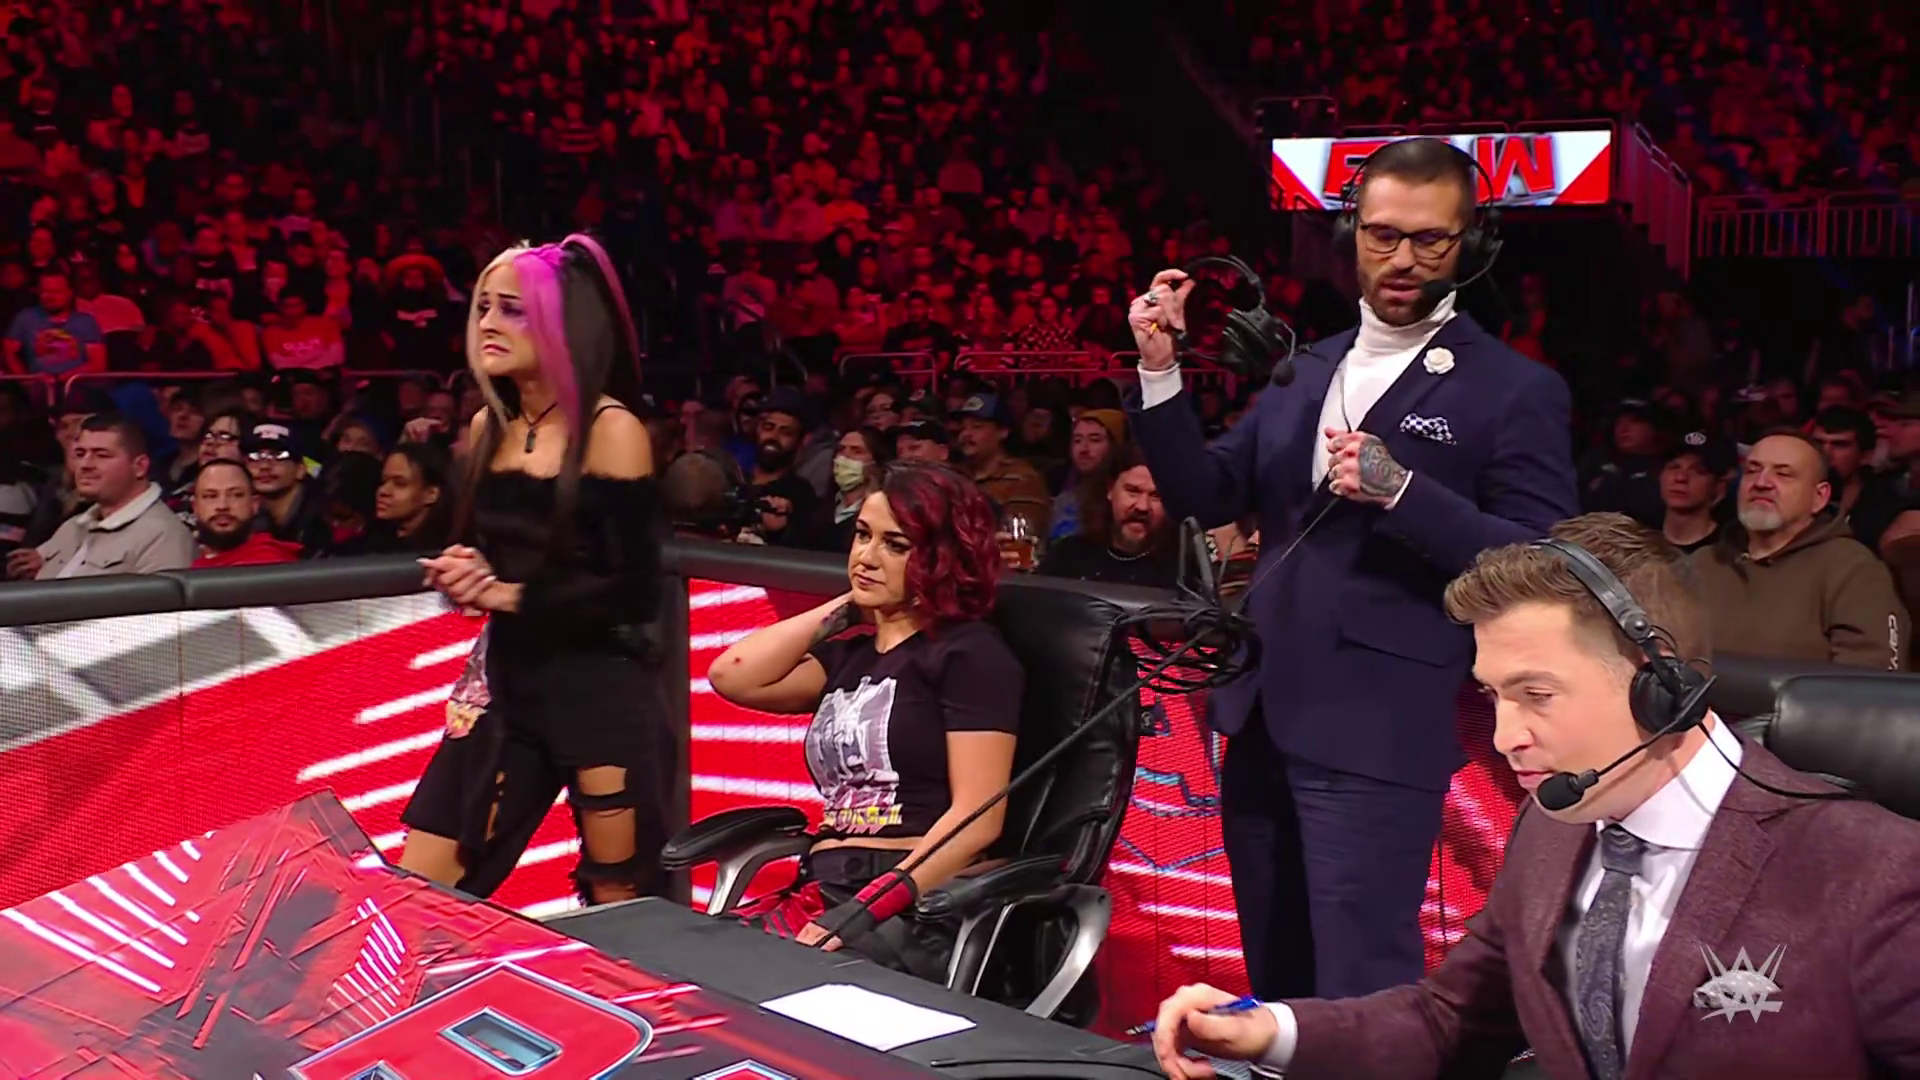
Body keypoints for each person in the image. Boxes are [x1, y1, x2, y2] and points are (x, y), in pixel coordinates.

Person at [1151, 514, 1920, 1080]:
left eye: (1537, 695)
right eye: (1492, 696)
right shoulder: (1553, 828)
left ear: (1662, 684)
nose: (1504, 735)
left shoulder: (1872, 869)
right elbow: (1449, 1021)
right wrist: (1267, 1030)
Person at [1127, 136, 1580, 1000]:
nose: (1403, 259)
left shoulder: (1514, 389)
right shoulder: (1306, 369)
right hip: (1262, 717)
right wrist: (1160, 372)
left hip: (1378, 728)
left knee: (1362, 983)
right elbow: (1203, 492)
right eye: (1383, 235)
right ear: (1352, 235)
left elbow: (1539, 561)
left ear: (1471, 244)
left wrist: (1402, 490)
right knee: (1277, 978)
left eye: (1430, 239)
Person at [399, 233, 677, 906]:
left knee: (619, 900)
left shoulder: (610, 429)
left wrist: (507, 593)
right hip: (508, 684)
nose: (489, 323)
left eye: (513, 309)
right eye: (484, 307)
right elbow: (497, 555)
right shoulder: (488, 426)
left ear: (562, 323)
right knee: (420, 890)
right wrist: (469, 568)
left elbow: (632, 591)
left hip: (598, 692)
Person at [706, 463, 1021, 980]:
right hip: (824, 887)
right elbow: (731, 675)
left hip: (907, 902)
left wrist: (867, 908)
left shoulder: (969, 655)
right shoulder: (848, 658)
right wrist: (852, 605)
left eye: (895, 545)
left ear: (941, 557)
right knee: (690, 974)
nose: (866, 556)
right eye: (861, 535)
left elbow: (978, 818)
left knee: (748, 985)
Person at [1690, 431, 1907, 670]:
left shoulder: (1852, 568)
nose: (1761, 483)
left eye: (1783, 474)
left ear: (1819, 497)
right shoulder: (1703, 563)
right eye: (1751, 471)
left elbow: (1869, 676)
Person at [8, 413, 195, 579]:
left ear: (139, 466)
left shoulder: (164, 537)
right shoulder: (72, 527)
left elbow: (157, 608)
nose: (85, 465)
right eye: (80, 454)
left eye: (101, 455)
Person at [191, 459, 302, 566]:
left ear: (254, 504)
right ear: (195, 507)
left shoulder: (270, 564)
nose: (222, 506)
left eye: (236, 495)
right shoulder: (198, 563)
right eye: (210, 496)